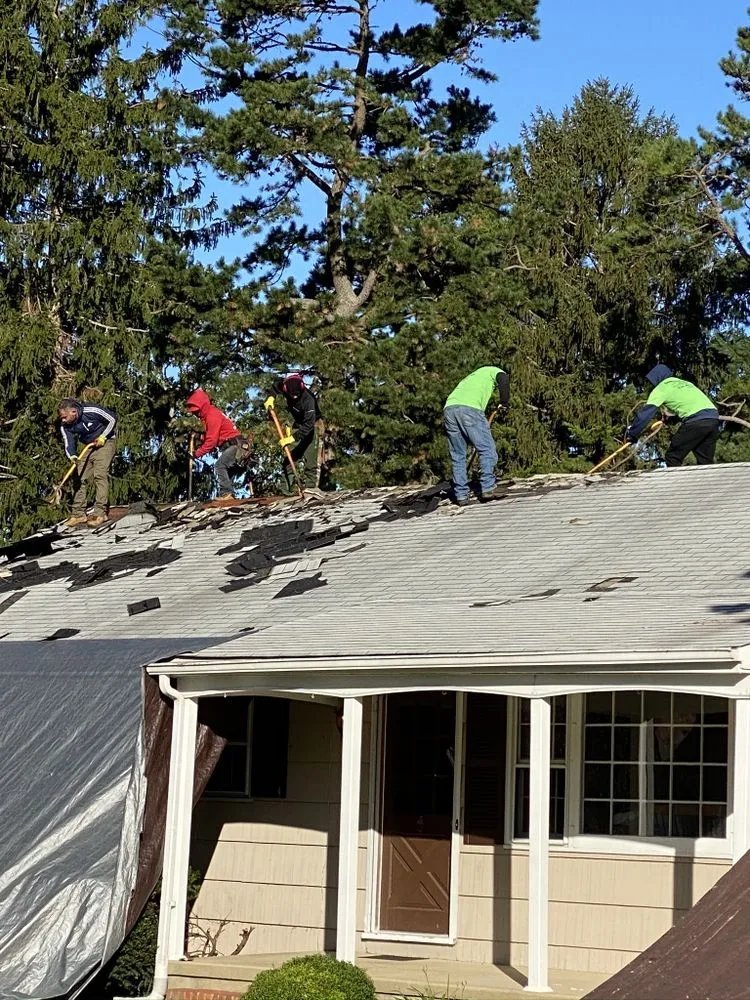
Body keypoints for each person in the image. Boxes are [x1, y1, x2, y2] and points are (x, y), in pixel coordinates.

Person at [626, 365, 720, 467]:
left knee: (673, 456)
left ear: (657, 378)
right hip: (713, 419)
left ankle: (676, 482)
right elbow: (692, 406)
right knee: (705, 462)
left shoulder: (661, 388)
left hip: (696, 421)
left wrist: (632, 433)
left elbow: (646, 414)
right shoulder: (685, 383)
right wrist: (672, 419)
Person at [443, 365, 510, 505]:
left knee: (458, 455)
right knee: (486, 449)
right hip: (469, 409)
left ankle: (461, 495)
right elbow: (504, 379)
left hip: (449, 409)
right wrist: (504, 403)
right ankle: (488, 487)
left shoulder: (473, 376)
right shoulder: (495, 371)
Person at [58, 397, 117, 528]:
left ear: (73, 412)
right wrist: (72, 456)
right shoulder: (65, 425)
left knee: (99, 474)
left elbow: (112, 418)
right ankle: (78, 514)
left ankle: (100, 513)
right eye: (61, 417)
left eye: (65, 417)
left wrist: (103, 436)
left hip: (106, 442)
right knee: (79, 476)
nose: (63, 420)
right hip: (88, 446)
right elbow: (68, 441)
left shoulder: (92, 411)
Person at [185, 389, 249, 498]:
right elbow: (218, 436)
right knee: (228, 475)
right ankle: (229, 498)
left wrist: (196, 454)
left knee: (220, 465)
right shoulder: (211, 414)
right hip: (235, 445)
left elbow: (212, 441)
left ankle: (227, 495)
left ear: (203, 406)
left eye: (197, 411)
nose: (196, 414)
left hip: (236, 446)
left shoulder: (211, 415)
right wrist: (199, 437)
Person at [272, 374, 324, 493]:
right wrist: (271, 398)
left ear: (301, 388)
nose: (294, 397)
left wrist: (292, 438)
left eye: (297, 395)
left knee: (311, 461)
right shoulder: (284, 386)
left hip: (313, 427)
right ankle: (288, 491)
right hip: (297, 424)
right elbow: (274, 387)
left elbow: (308, 426)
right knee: (288, 460)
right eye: (292, 395)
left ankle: (311, 489)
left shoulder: (308, 400)